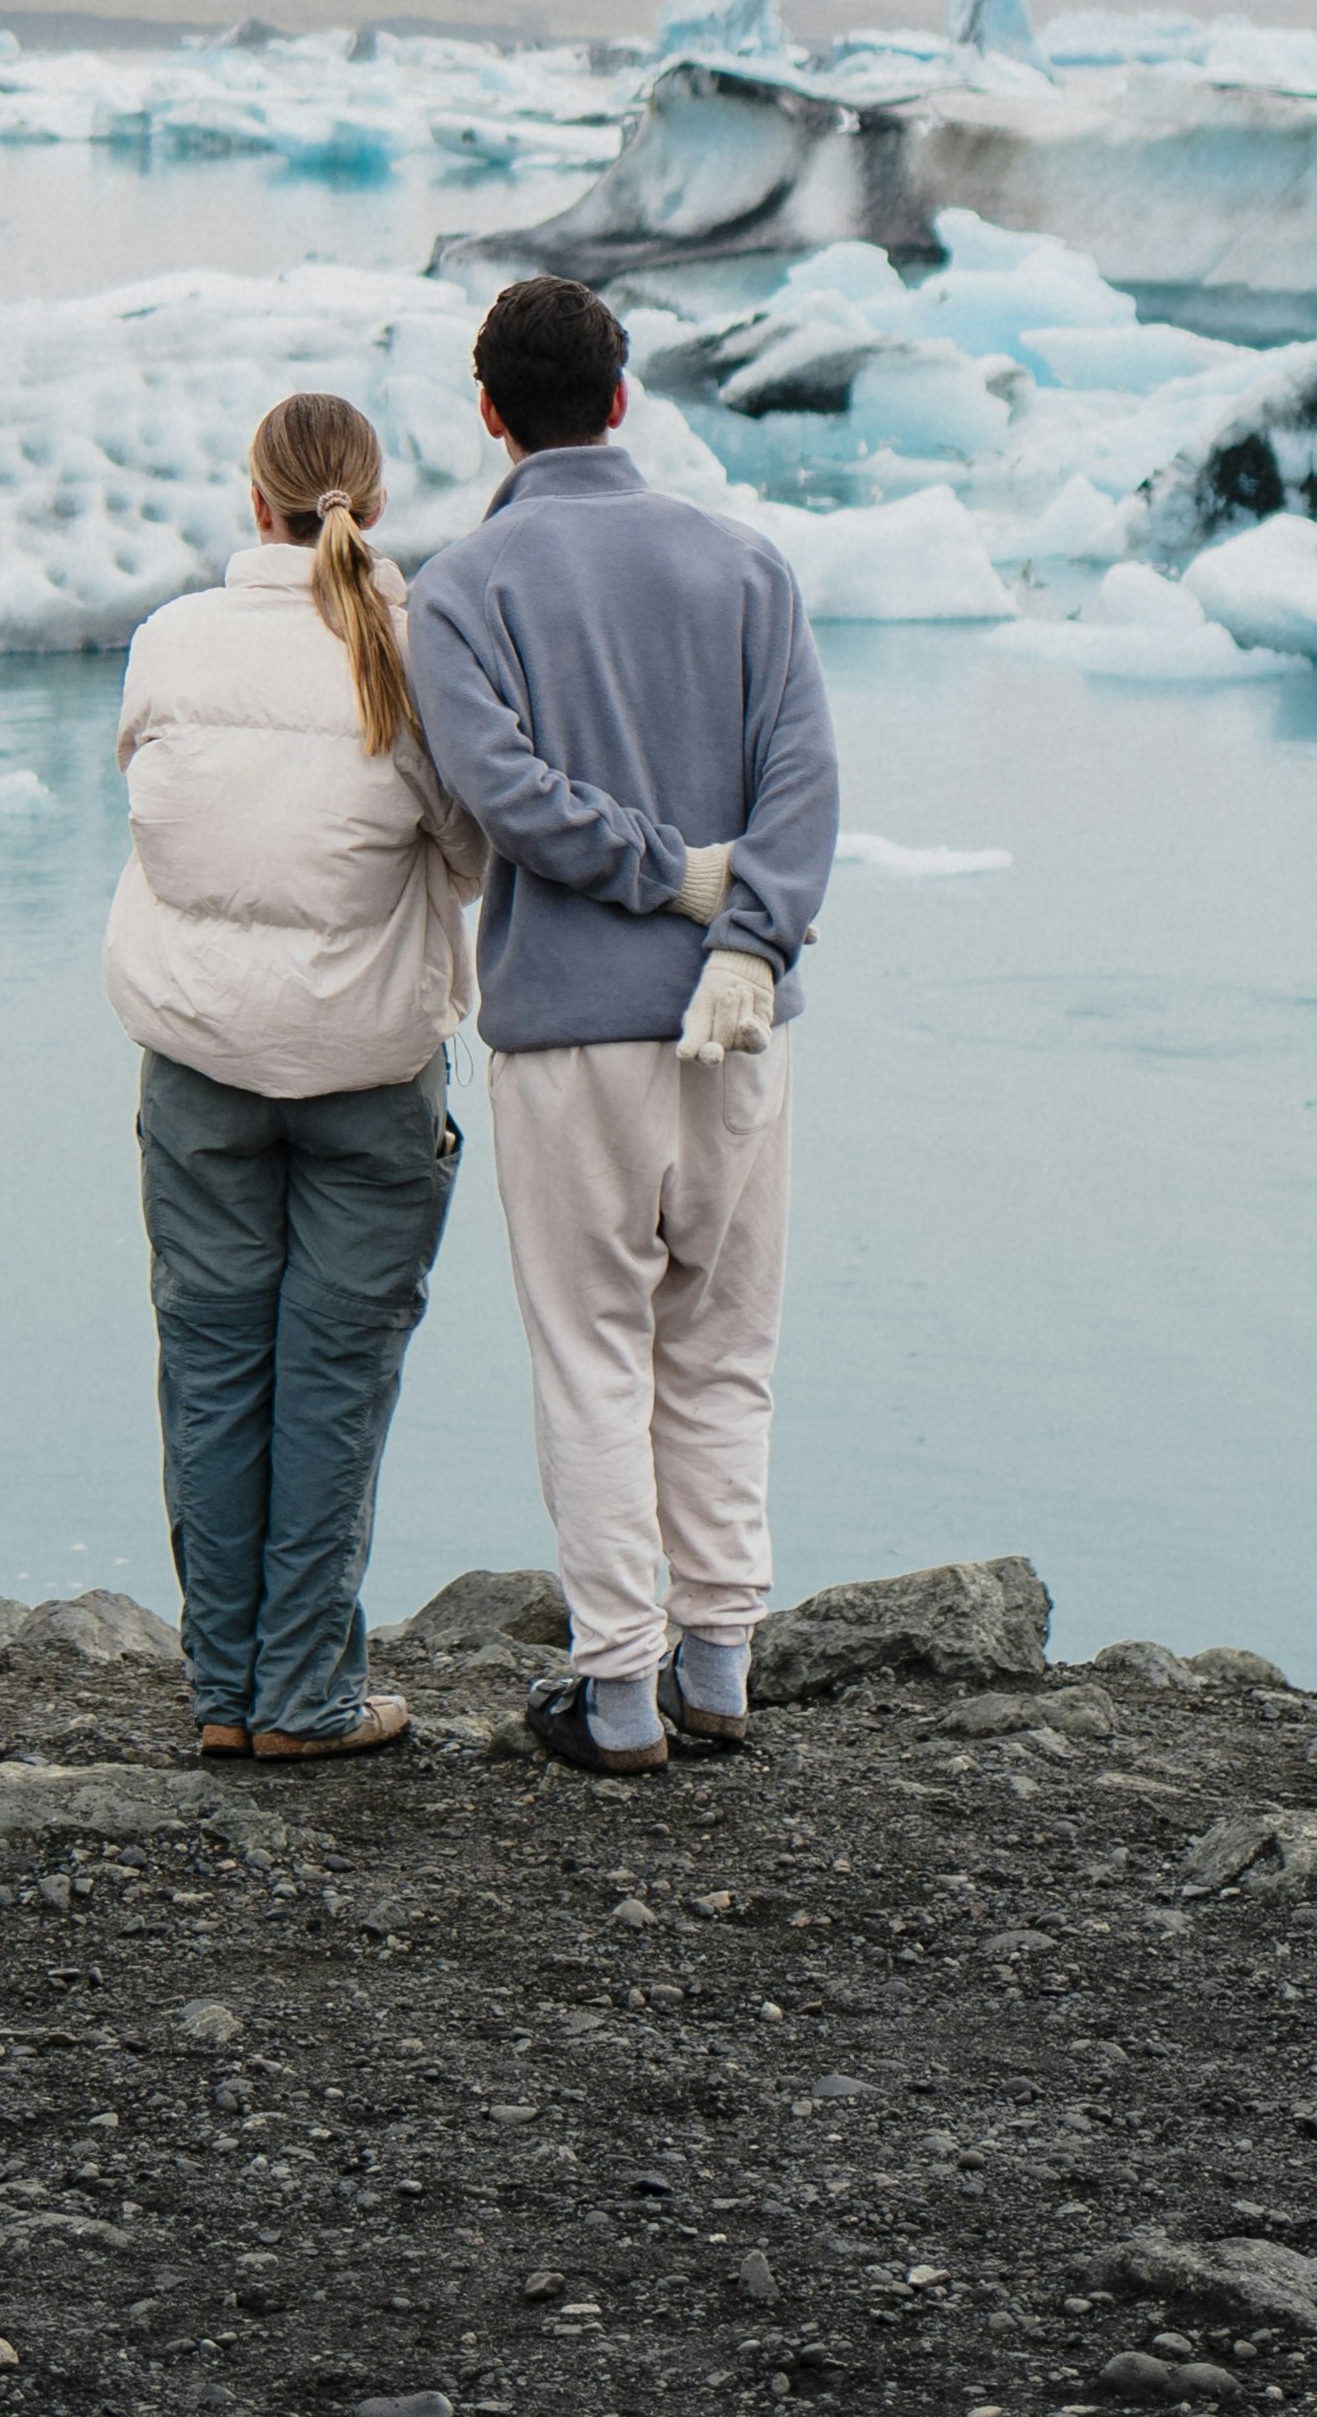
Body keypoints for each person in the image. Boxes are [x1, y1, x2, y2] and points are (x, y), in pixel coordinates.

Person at [396, 270, 840, 1778]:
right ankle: (720, 1665)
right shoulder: (744, 565)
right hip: (738, 1022)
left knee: (591, 1354)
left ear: (488, 416)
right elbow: (804, 783)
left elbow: (498, 796)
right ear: (622, 396)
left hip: (568, 1034)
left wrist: (653, 873)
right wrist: (745, 932)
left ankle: (620, 1695)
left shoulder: (459, 591)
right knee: (722, 1345)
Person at [102, 385, 482, 1761]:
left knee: (209, 1366)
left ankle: (221, 1697)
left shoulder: (172, 638)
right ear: (370, 510)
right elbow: (471, 852)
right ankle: (304, 1695)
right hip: (368, 1075)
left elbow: (151, 795)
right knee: (333, 1376)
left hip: (196, 1066)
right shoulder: (405, 643)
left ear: (249, 501)